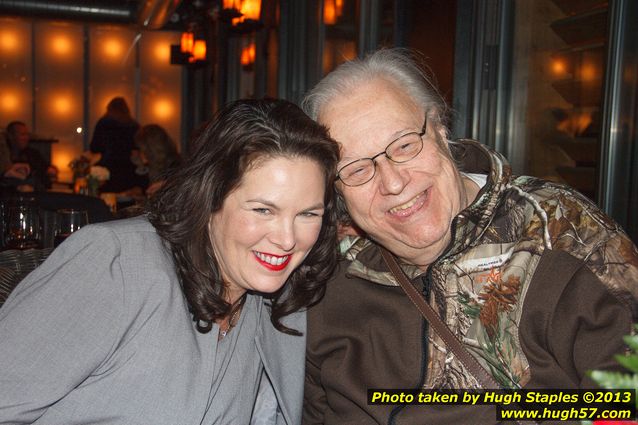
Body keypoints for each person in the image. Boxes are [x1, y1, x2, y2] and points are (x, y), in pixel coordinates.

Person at [301, 48, 638, 424]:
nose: (393, 183)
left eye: (405, 146)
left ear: (440, 131)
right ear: (338, 191)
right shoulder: (328, 283)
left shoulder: (561, 235)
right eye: (358, 170)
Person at [0, 98, 339, 424]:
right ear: (209, 198)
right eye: (263, 209)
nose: (287, 239)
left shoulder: (276, 303)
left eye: (308, 214)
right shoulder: (116, 265)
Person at [90, 97, 144, 193]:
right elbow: (137, 150)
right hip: (129, 171)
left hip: (108, 169)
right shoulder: (134, 126)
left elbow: (94, 147)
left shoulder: (104, 123)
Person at [4, 121, 56, 191]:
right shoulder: (3, 155)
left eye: (27, 134)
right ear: (11, 136)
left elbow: (47, 168)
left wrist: (51, 170)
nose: (26, 138)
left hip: (33, 194)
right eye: (22, 134)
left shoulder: (33, 154)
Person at [132, 123, 181, 196]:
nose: (140, 151)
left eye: (141, 148)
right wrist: (141, 166)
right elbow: (145, 190)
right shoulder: (153, 163)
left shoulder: (174, 165)